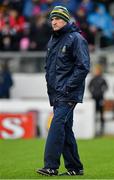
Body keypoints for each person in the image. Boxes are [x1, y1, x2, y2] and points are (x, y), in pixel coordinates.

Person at [36, 6, 90, 176]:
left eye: (58, 18)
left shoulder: (76, 39)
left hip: (68, 93)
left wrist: (67, 87)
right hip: (56, 94)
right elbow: (49, 68)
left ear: (66, 20)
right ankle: (75, 168)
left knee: (56, 125)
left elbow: (83, 67)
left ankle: (51, 166)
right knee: (65, 129)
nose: (54, 21)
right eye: (52, 19)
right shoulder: (53, 40)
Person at [88, 65, 108, 135]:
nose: (96, 72)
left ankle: (102, 130)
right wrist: (92, 92)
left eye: (97, 71)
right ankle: (93, 129)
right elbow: (89, 87)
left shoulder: (102, 79)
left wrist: (101, 92)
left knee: (101, 114)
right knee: (94, 114)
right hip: (94, 99)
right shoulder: (93, 79)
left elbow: (106, 87)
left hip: (100, 98)